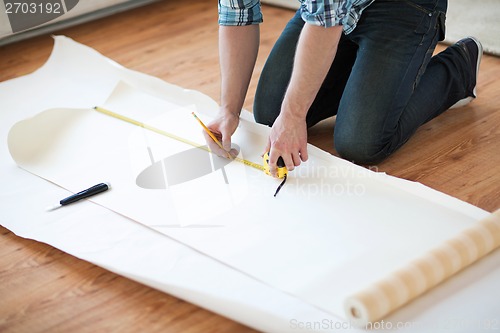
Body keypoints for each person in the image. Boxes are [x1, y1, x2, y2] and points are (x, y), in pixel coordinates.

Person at [204, 0, 482, 177]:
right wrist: (229, 109)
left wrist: (292, 117)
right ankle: (367, 75)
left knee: (360, 142)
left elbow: (325, 25)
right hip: (331, 12)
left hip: (404, 7)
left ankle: (459, 68)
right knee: (269, 113)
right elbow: (237, 13)